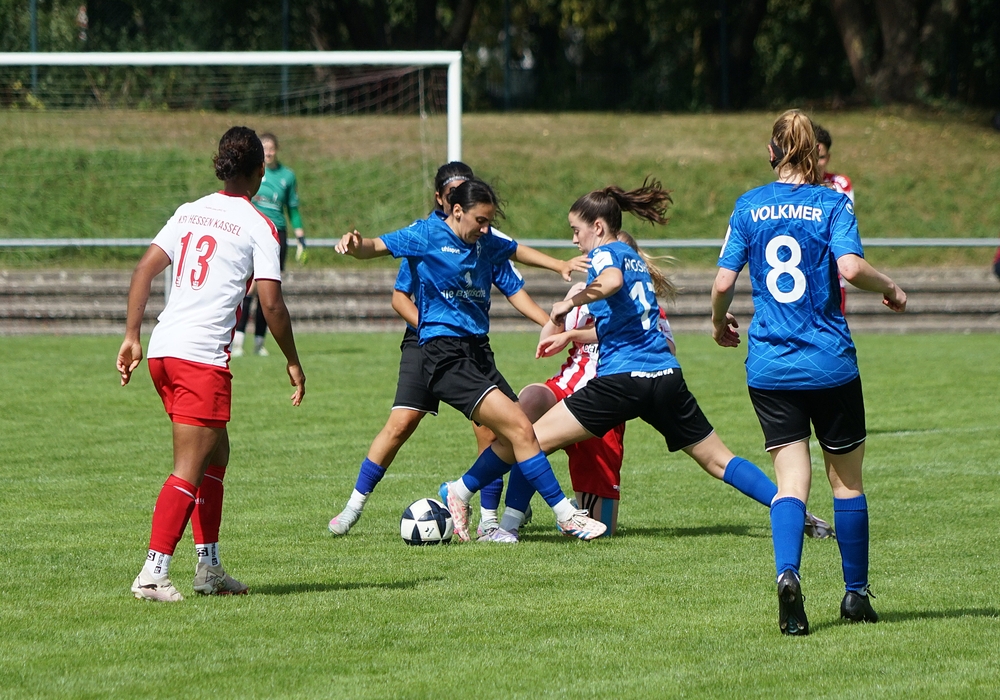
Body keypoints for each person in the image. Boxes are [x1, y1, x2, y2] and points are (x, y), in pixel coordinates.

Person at [441, 179, 796, 548]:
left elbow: (610, 281)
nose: (574, 240)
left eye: (576, 230)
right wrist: (571, 329)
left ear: (597, 227)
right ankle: (789, 507)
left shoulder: (605, 255)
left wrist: (570, 303)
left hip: (622, 382)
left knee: (527, 438)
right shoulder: (633, 256)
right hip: (664, 378)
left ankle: (462, 491)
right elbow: (623, 315)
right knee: (719, 460)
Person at [711, 109, 906, 635]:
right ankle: (855, 594)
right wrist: (890, 286)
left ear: (772, 152)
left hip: (770, 366)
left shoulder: (749, 205)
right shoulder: (833, 202)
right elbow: (850, 268)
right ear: (814, 152)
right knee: (847, 484)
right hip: (829, 363)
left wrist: (718, 322)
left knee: (791, 482)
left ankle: (789, 573)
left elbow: (723, 282)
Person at [335, 178, 606, 541]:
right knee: (518, 428)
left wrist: (558, 264)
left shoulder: (484, 240)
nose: (485, 228)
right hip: (443, 353)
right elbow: (376, 246)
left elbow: (515, 250)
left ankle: (465, 496)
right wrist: (356, 246)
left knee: (519, 430)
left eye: (488, 221)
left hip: (478, 350)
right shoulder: (426, 234)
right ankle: (565, 514)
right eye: (480, 220)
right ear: (457, 210)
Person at [117, 126, 306, 602]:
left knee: (216, 455)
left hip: (164, 350)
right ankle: (153, 573)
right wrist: (293, 360)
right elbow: (272, 304)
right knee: (189, 468)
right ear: (260, 171)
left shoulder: (190, 210)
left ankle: (209, 568)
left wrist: (132, 337)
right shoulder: (259, 225)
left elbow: (143, 269)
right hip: (200, 358)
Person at [494, 231, 676, 539]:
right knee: (529, 404)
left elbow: (669, 349)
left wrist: (621, 337)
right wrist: (562, 311)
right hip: (566, 387)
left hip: (606, 403)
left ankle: (564, 510)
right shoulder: (581, 296)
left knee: (602, 530)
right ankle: (503, 517)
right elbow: (545, 343)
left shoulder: (645, 305)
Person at [233, 132, 307, 357]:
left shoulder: (287, 176)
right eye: (264, 148)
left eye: (272, 148)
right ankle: (238, 340)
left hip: (277, 235)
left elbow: (292, 209)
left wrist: (300, 236)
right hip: (254, 232)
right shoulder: (252, 172)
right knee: (250, 287)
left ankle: (258, 343)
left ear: (277, 150)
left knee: (268, 290)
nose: (269, 152)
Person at [814, 124, 853, 315]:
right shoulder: (791, 186)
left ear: (828, 158)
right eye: (813, 156)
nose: (817, 162)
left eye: (821, 157)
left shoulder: (840, 184)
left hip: (831, 277)